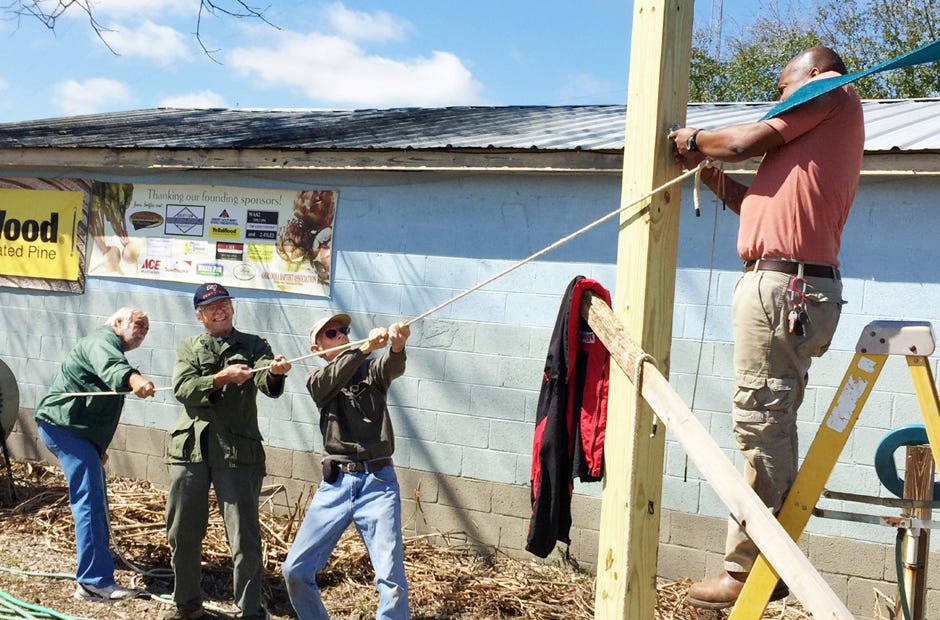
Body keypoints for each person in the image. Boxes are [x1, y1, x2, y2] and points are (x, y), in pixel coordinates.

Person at [669, 46, 864, 609]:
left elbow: (739, 143)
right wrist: (709, 177)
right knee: (769, 421)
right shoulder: (815, 136)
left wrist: (689, 141)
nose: (781, 101)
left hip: (785, 287)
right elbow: (756, 200)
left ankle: (751, 569)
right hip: (793, 285)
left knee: (760, 422)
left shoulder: (827, 92)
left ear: (811, 74)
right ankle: (763, 560)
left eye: (781, 88)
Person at [163, 283, 292, 620]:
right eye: (211, 307)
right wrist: (221, 378)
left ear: (232, 309)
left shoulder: (253, 345)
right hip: (190, 450)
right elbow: (183, 388)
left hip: (237, 453)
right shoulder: (190, 347)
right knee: (182, 533)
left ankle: (249, 612)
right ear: (199, 316)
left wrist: (275, 373)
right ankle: (187, 607)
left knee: (244, 538)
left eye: (224, 304)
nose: (219, 310)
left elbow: (267, 383)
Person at [282, 312, 411, 620]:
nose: (340, 334)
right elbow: (328, 382)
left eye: (343, 330)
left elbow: (392, 366)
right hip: (336, 486)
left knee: (391, 582)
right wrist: (362, 349)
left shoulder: (371, 370)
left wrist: (397, 345)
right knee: (295, 570)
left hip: (377, 483)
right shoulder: (318, 379)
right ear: (316, 350)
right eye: (331, 333)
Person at [34, 307, 156, 602]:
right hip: (64, 426)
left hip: (75, 432)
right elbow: (112, 368)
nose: (142, 331)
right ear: (117, 323)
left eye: (146, 329)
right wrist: (134, 379)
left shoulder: (111, 348)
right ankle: (93, 582)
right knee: (88, 502)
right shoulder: (103, 342)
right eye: (138, 324)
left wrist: (96, 450)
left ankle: (95, 574)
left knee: (95, 499)